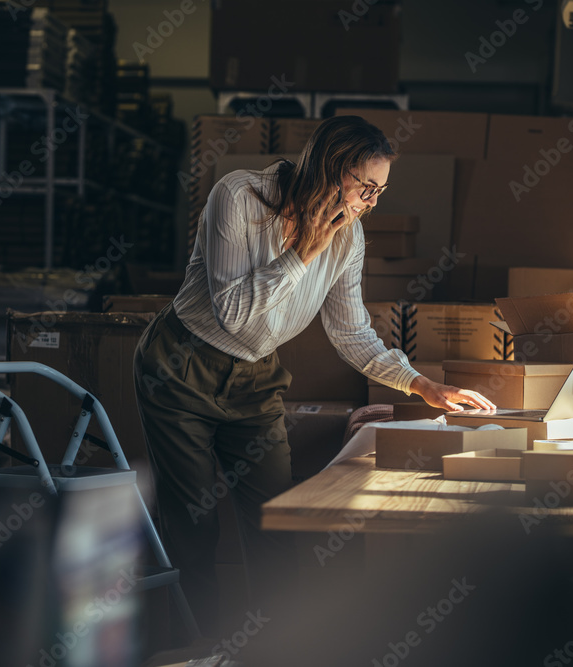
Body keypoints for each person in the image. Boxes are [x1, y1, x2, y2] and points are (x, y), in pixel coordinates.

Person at [133, 115, 495, 635]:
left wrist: (422, 384)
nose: (371, 203)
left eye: (380, 191)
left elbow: (352, 333)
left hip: (255, 378)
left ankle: (279, 650)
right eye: (366, 187)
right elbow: (234, 313)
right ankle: (201, 650)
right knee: (194, 529)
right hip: (180, 367)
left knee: (277, 521)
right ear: (332, 167)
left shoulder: (350, 239)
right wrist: (303, 253)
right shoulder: (238, 197)